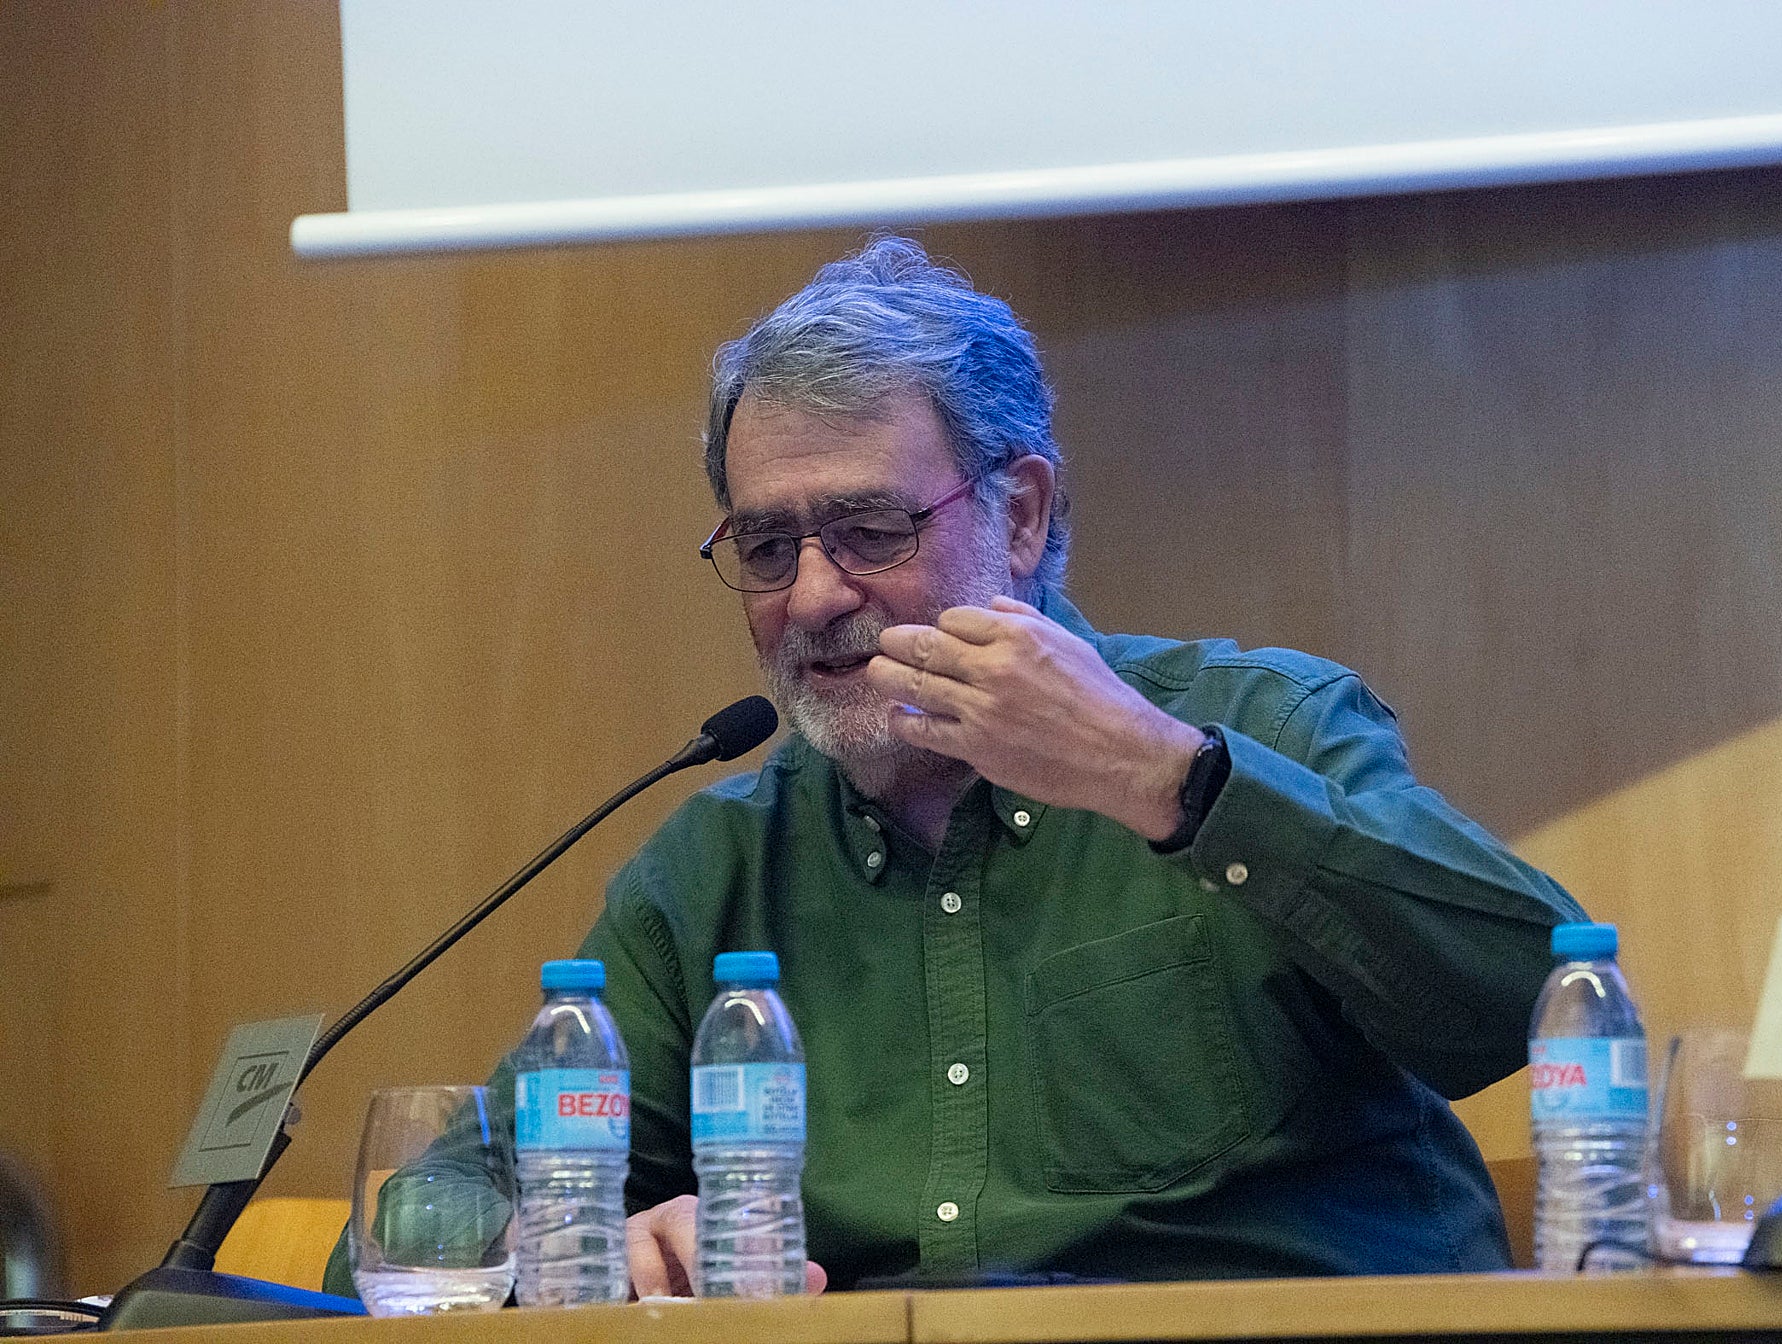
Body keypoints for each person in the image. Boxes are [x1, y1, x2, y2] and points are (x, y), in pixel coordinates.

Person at [591, 235, 1586, 1294]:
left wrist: (1170, 783)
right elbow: (494, 1185)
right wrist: (619, 1235)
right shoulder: (715, 872)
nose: (813, 596)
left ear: (1019, 515)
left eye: (871, 531)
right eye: (766, 549)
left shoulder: (1265, 724)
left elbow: (1535, 998)